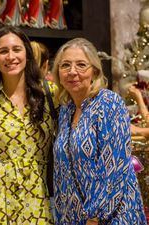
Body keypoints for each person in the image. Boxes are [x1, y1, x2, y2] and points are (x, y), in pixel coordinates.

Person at [51, 37, 146, 224]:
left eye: (81, 65)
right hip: (76, 218)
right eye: (65, 65)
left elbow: (115, 168)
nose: (72, 72)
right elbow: (61, 172)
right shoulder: (66, 110)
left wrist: (95, 217)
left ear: (94, 71)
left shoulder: (108, 103)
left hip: (112, 217)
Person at [0, 26, 54, 224]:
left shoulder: (50, 94)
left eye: (16, 49)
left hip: (38, 196)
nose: (10, 56)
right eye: (3, 51)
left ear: (27, 52)